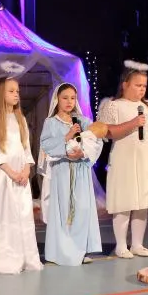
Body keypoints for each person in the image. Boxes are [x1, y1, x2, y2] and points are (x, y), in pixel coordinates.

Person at [97, 60, 148, 259]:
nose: (142, 89)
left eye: (144, 86)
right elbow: (107, 132)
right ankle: (121, 245)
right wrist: (133, 122)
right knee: (124, 202)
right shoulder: (113, 105)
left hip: (146, 159)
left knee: (142, 202)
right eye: (138, 85)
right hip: (124, 159)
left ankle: (137, 244)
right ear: (125, 84)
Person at [0, 76, 43, 274]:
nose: (16, 95)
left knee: (21, 214)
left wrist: (26, 169)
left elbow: (26, 148)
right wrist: (12, 173)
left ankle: (24, 256)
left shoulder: (20, 119)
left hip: (20, 176)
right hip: (2, 175)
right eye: (11, 91)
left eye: (18, 91)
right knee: (2, 214)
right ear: (1, 94)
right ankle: (3, 257)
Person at [39, 83, 102, 266]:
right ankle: (61, 252)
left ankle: (80, 250)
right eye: (65, 98)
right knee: (64, 211)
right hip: (63, 172)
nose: (69, 102)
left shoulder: (83, 121)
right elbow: (46, 145)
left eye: (72, 98)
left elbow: (97, 141)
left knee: (82, 209)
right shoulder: (51, 123)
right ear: (57, 99)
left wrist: (84, 152)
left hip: (81, 171)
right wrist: (66, 138)